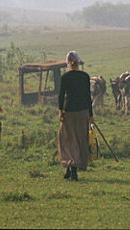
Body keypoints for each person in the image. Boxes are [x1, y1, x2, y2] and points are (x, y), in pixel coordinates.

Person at [58, 50, 94, 181]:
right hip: (83, 112)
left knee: (66, 140)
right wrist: (91, 115)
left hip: (69, 112)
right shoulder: (85, 76)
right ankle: (70, 169)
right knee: (79, 140)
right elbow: (88, 97)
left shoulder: (65, 77)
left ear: (68, 63)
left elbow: (61, 95)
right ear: (78, 62)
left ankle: (72, 169)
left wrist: (60, 111)